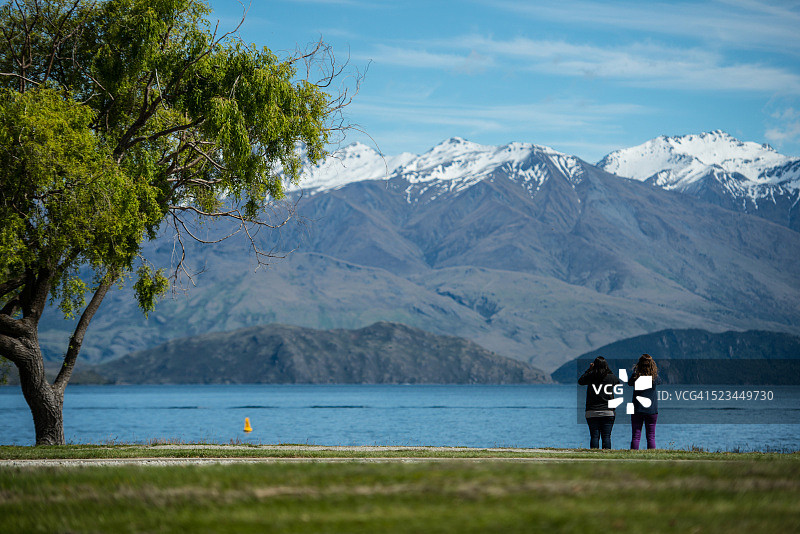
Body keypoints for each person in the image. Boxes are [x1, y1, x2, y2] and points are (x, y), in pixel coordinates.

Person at [578, 356, 621, 449]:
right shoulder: (610, 377)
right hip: (608, 411)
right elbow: (617, 381)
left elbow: (580, 381)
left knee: (594, 436)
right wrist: (608, 371)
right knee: (606, 436)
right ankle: (607, 458)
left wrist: (589, 370)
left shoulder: (591, 376)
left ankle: (594, 457)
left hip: (592, 411)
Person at [628, 353, 660, 450]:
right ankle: (651, 457)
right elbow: (659, 381)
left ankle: (633, 455)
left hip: (637, 409)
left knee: (636, 435)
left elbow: (629, 383)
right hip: (651, 410)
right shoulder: (654, 377)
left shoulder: (635, 377)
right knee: (651, 436)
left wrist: (636, 371)